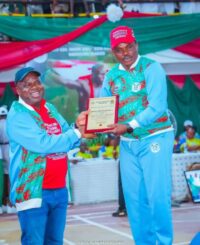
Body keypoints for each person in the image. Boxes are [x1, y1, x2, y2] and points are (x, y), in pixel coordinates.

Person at [100, 26, 174, 245]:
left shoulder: (151, 68)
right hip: (128, 144)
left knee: (157, 197)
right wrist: (95, 124)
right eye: (120, 50)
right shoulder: (111, 77)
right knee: (134, 201)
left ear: (136, 45)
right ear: (114, 52)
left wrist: (128, 125)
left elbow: (158, 107)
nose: (126, 53)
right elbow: (104, 108)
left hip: (156, 136)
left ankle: (163, 242)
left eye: (129, 46)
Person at [6, 67, 90, 244]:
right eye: (27, 85)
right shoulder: (18, 115)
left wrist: (84, 127)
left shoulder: (49, 108)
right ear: (18, 90)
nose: (34, 87)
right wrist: (76, 133)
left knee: (54, 241)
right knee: (35, 241)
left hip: (59, 189)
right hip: (34, 191)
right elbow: (43, 144)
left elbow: (68, 134)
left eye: (37, 82)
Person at [0, 106, 16, 214]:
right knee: (11, 175)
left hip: (2, 149)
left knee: (4, 177)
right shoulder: (11, 123)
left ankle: (5, 203)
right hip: (10, 148)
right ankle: (10, 202)